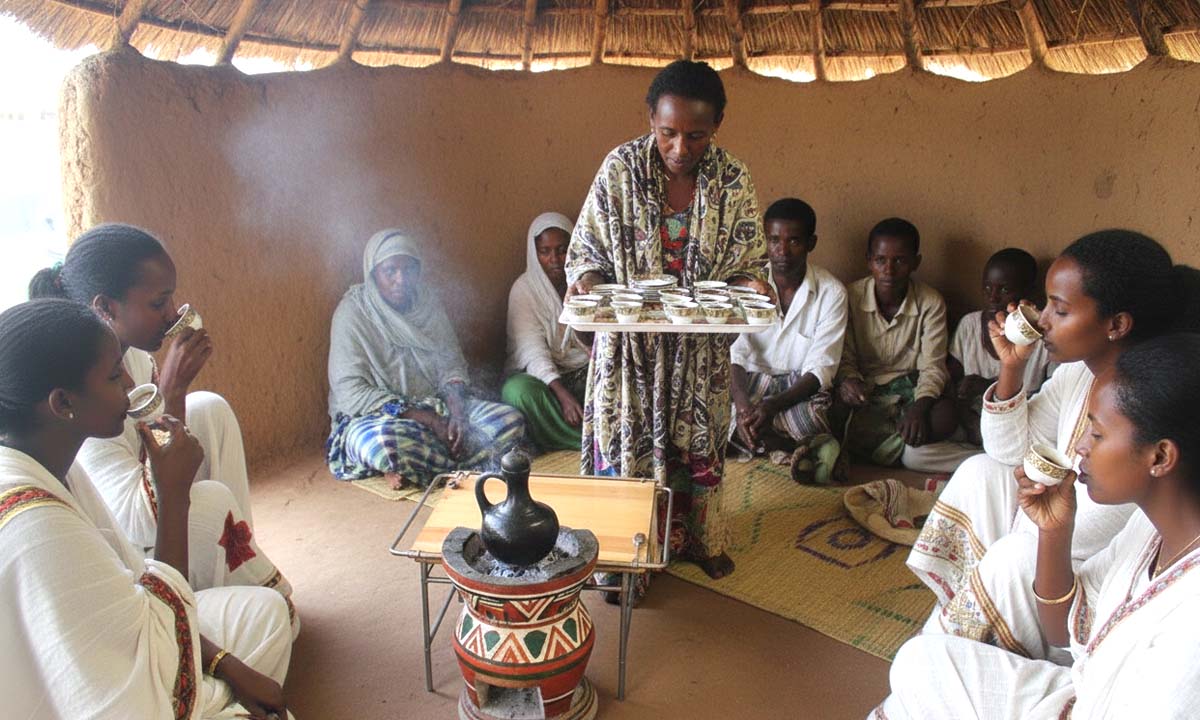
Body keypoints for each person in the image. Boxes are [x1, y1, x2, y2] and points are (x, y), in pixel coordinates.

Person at [908, 230, 1200, 660]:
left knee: (1014, 557)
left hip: (1077, 588)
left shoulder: (1142, 410)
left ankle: (961, 642)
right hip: (1046, 543)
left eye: (1059, 310)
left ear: (1116, 325)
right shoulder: (1078, 373)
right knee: (981, 472)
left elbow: (1083, 533)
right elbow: (1006, 452)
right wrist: (1011, 368)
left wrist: (1032, 530)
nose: (1042, 320)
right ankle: (964, 623)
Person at [874, 334, 1200, 719]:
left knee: (918, 692)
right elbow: (1064, 630)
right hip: (1079, 695)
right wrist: (1054, 531)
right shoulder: (1148, 530)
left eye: (1097, 434)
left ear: (1160, 457)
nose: (1080, 446)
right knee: (918, 662)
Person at [0, 299, 293, 719]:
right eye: (113, 375)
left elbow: (135, 582)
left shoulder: (52, 464)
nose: (127, 383)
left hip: (138, 644)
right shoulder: (37, 524)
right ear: (63, 403)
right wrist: (173, 494)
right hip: (120, 698)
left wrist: (224, 664)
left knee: (266, 615)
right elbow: (144, 689)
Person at [566, 60, 769, 580]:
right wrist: (587, 281)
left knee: (696, 444)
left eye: (696, 135)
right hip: (630, 349)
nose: (681, 148)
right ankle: (622, 557)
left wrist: (753, 283)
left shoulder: (732, 178)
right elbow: (586, 250)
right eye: (668, 133)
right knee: (625, 446)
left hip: (698, 350)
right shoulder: (620, 169)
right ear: (650, 119)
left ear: (717, 124)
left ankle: (698, 540)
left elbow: (749, 260)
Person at [29, 223, 294, 621]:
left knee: (210, 410)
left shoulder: (134, 355)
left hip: (150, 506)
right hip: (125, 549)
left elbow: (158, 444)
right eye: (158, 304)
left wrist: (176, 396)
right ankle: (208, 603)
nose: (172, 315)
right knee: (210, 505)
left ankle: (235, 571)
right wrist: (171, 392)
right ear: (106, 308)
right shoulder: (83, 393)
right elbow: (139, 519)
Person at [327, 229, 526, 489]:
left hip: (437, 405)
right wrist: (431, 422)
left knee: (510, 421)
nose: (401, 279)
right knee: (382, 444)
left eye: (409, 269)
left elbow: (451, 365)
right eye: (390, 271)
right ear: (372, 273)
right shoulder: (353, 313)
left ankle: (419, 465)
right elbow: (350, 391)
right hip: (381, 418)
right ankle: (453, 461)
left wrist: (457, 417)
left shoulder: (428, 303)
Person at [902, 248, 1054, 473]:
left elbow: (1048, 404)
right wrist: (968, 418)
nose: (993, 297)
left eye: (1004, 289)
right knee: (913, 456)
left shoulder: (1044, 339)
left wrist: (987, 387)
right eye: (987, 287)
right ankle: (991, 464)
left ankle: (997, 464)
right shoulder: (970, 325)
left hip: (1018, 432)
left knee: (1040, 454)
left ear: (1028, 291)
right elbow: (949, 383)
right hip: (972, 426)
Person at [729, 198, 847, 484]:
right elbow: (734, 355)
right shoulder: (748, 286)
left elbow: (821, 370)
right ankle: (781, 444)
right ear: (764, 241)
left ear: (811, 243)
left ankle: (755, 440)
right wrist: (744, 409)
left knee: (817, 416)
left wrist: (771, 406)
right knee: (714, 413)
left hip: (796, 390)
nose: (782, 251)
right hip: (749, 385)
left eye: (793, 241)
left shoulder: (831, 293)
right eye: (774, 240)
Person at [834, 218, 954, 470]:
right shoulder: (850, 297)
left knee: (944, 416)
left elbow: (933, 366)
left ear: (915, 262)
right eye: (880, 260)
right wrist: (849, 380)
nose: (889, 270)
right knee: (831, 409)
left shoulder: (930, 302)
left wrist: (919, 408)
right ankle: (899, 450)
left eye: (899, 260)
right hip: (865, 392)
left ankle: (878, 447)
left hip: (910, 391)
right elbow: (844, 356)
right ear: (869, 261)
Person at [501, 212, 591, 452]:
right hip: (543, 380)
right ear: (534, 253)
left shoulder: (585, 284)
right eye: (545, 251)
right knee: (518, 392)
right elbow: (532, 351)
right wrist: (562, 395)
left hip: (582, 370)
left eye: (562, 250)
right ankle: (585, 442)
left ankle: (605, 437)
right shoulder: (524, 290)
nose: (555, 260)